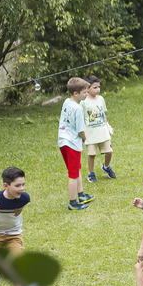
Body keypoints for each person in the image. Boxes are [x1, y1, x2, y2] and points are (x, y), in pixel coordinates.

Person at [58, 77, 93, 210]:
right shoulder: (78, 109)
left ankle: (81, 194)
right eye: (85, 92)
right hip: (72, 143)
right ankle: (73, 203)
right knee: (73, 174)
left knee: (76, 169)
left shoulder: (67, 102)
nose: (87, 94)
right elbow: (80, 130)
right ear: (76, 93)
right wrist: (85, 139)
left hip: (63, 141)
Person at [82, 75, 116, 182]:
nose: (98, 90)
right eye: (95, 87)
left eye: (99, 87)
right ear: (87, 88)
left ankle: (106, 167)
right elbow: (82, 119)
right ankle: (91, 173)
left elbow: (103, 114)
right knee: (91, 154)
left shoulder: (101, 99)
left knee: (109, 152)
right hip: (90, 133)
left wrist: (108, 126)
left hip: (102, 131)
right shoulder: (83, 102)